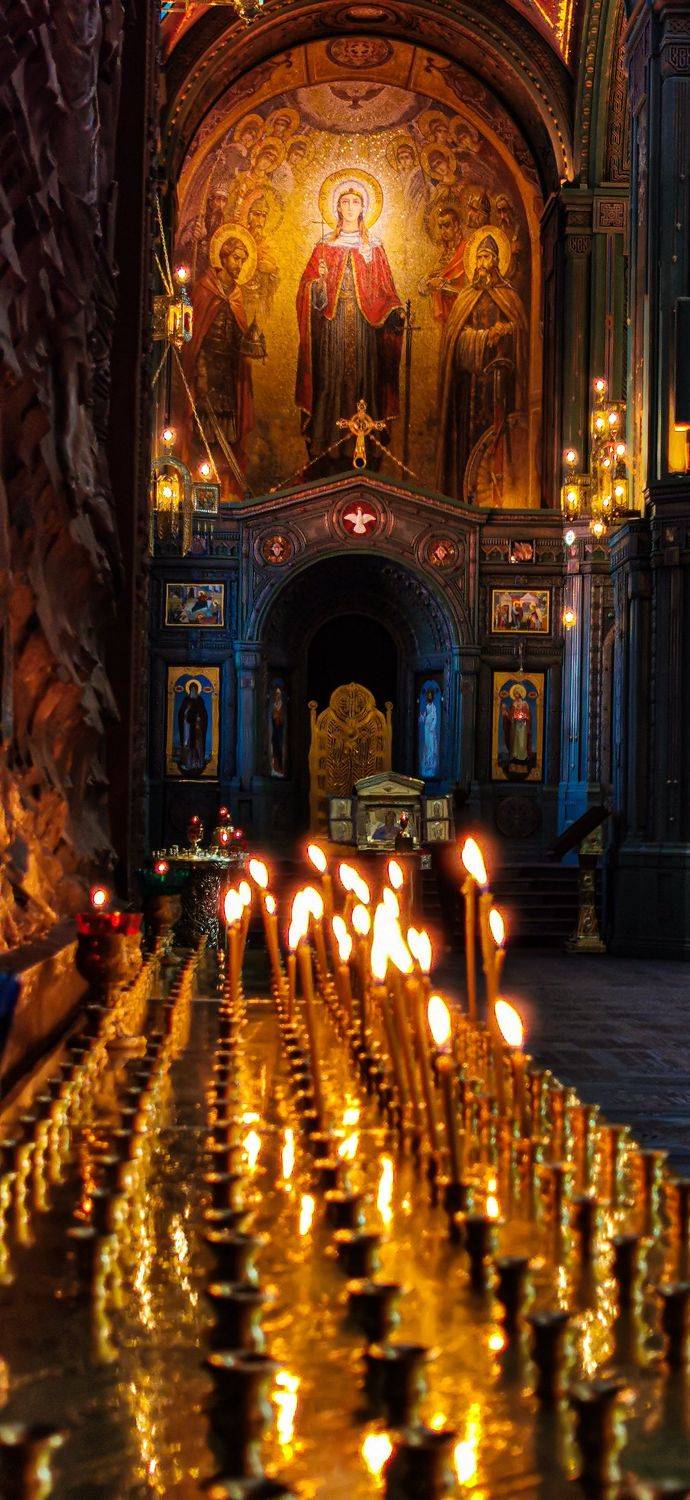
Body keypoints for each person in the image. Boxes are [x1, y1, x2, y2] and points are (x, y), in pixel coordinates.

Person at [295, 179, 404, 474]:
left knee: (363, 381)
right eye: (345, 202)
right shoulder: (325, 247)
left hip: (366, 328)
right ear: (337, 208)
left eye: (356, 202)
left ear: (364, 208)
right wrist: (318, 285)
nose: (350, 207)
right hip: (333, 327)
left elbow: (387, 291)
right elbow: (308, 293)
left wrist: (394, 311)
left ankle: (365, 445)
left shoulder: (374, 247)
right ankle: (329, 445)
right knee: (332, 380)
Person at [435, 230, 528, 504]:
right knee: (468, 441)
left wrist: (508, 330)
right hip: (471, 387)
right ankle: (465, 496)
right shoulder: (466, 297)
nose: (481, 264)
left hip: (501, 386)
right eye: (479, 258)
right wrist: (484, 337)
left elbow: (521, 333)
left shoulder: (509, 297)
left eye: (487, 257)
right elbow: (455, 339)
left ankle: (501, 498)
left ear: (497, 261)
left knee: (499, 441)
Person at [184, 230, 258, 492]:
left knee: (227, 428)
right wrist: (199, 373)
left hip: (228, 373)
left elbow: (239, 335)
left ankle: (223, 483)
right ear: (224, 257)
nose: (239, 265)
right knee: (203, 425)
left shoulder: (237, 294)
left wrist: (249, 343)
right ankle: (200, 479)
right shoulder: (205, 288)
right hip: (205, 366)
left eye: (243, 261)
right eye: (236, 258)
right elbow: (196, 334)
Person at [177, 680, 208, 776]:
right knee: (187, 745)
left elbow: (203, 714)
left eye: (195, 689)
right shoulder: (186, 700)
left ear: (197, 689)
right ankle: (188, 764)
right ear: (190, 689)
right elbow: (181, 713)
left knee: (197, 745)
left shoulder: (200, 700)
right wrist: (186, 712)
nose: (193, 690)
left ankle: (197, 764)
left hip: (197, 728)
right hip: (187, 727)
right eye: (192, 689)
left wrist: (199, 718)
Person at [419, 686, 440, 778]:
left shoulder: (433, 706)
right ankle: (426, 764)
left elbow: (435, 717)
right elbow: (424, 716)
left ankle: (431, 764)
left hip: (431, 728)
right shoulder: (427, 706)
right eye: (429, 695)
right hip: (426, 727)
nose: (430, 696)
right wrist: (421, 717)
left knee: (431, 745)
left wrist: (432, 727)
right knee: (427, 744)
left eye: (431, 695)